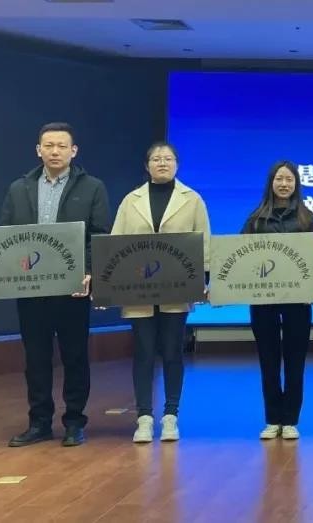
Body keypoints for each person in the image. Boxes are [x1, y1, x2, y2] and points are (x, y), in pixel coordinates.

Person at [0, 122, 109, 447]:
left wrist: (90, 272)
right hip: (31, 289)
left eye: (62, 146)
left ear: (73, 151)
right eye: (49, 145)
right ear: (38, 150)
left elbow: (99, 235)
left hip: (73, 288)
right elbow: (4, 238)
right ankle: (39, 423)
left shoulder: (93, 187)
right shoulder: (19, 188)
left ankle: (74, 422)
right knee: (35, 359)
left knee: (75, 357)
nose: (55, 151)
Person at [111, 142, 210, 443]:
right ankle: (143, 417)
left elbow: (204, 243)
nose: (162, 163)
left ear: (177, 164)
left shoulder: (192, 199)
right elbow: (116, 243)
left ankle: (170, 416)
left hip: (176, 289)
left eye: (168, 158)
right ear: (147, 165)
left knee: (172, 352)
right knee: (142, 352)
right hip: (138, 289)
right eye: (156, 159)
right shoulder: (131, 200)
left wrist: (203, 279)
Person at [241, 161, 313, 440]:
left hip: (298, 301)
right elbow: (241, 256)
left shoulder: (307, 219)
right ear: (271, 183)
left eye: (289, 179)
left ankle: (290, 420)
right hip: (263, 301)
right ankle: (271, 419)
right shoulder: (256, 219)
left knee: (294, 362)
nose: (284, 184)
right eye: (279, 179)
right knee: (268, 361)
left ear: (296, 184)